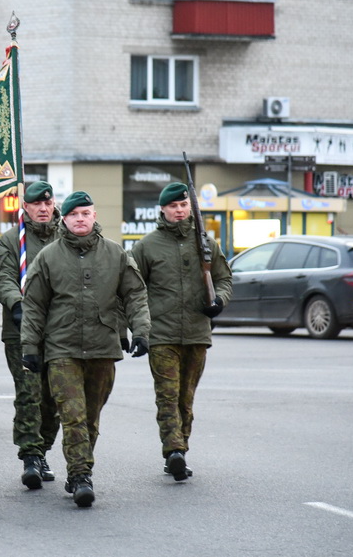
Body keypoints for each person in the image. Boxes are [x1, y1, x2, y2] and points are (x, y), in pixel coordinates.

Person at [20, 191, 151, 508]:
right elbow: (34, 305)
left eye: (86, 213)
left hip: (102, 348)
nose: (80, 219)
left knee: (90, 418)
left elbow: (134, 295)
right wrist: (30, 346)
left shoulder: (115, 254)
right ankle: (81, 476)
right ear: (64, 219)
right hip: (61, 349)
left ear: (94, 216)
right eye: (74, 214)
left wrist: (141, 331)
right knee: (73, 416)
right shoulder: (48, 257)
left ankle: (78, 470)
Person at [130, 181, 233, 482]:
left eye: (184, 205)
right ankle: (173, 451)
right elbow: (132, 288)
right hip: (161, 334)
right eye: (173, 206)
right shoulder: (146, 247)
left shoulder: (206, 243)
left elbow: (224, 279)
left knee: (185, 400)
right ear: (162, 209)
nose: (179, 210)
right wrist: (137, 329)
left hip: (197, 333)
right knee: (167, 396)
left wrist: (219, 301)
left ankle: (180, 449)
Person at [0, 180, 62, 489]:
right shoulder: (11, 241)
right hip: (21, 332)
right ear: (26, 207)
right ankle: (30, 455)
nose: (43, 209)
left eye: (47, 203)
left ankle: (42, 450)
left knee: (54, 398)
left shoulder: (67, 236)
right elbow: (1, 277)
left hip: (60, 332)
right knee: (29, 393)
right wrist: (15, 303)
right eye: (36, 204)